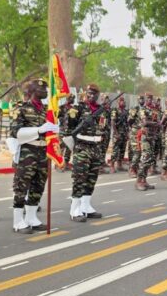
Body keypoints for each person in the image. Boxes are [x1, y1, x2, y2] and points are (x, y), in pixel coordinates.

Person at [9, 79, 59, 234]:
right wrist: (39, 130)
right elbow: (15, 132)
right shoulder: (21, 108)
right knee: (21, 186)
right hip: (27, 152)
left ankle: (31, 218)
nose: (44, 90)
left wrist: (55, 129)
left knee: (38, 185)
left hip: (43, 152)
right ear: (31, 91)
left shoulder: (47, 110)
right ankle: (18, 221)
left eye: (45, 88)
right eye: (40, 88)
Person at [62, 84, 108, 222]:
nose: (91, 95)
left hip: (96, 147)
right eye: (89, 93)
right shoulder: (77, 109)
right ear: (85, 94)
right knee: (79, 179)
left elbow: (104, 130)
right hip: (82, 147)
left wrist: (102, 150)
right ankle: (74, 209)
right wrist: (74, 149)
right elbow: (67, 131)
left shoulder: (102, 111)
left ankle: (86, 206)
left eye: (94, 93)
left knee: (91, 179)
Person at [109, 96, 128, 173]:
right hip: (117, 133)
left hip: (124, 133)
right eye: (121, 101)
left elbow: (127, 123)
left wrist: (127, 133)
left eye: (123, 101)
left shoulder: (125, 111)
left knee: (122, 149)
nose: (123, 102)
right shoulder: (115, 111)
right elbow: (113, 122)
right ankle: (112, 165)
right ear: (118, 102)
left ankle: (119, 165)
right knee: (115, 150)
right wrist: (116, 133)